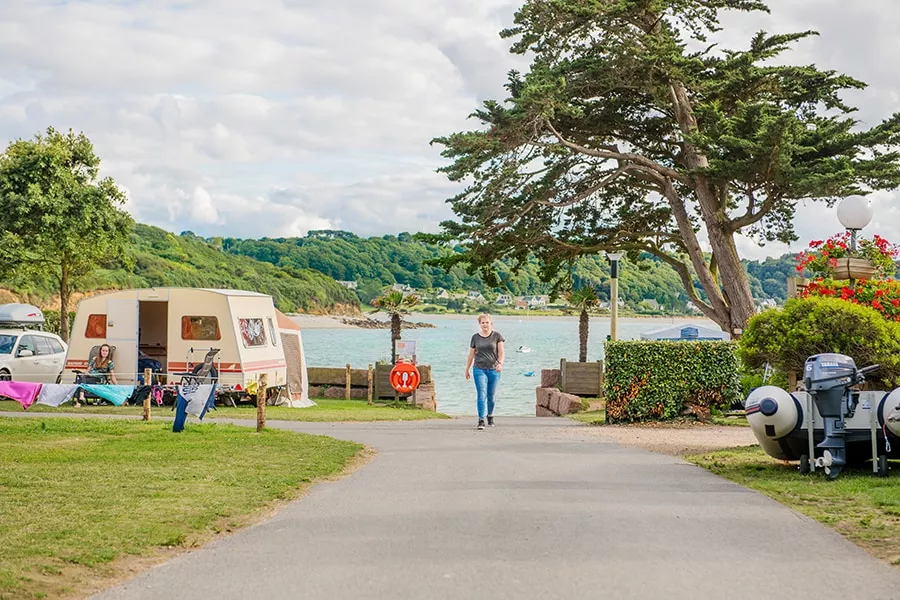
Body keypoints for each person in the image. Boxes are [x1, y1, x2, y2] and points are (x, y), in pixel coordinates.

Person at [465, 314, 505, 430]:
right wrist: (467, 368)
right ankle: (481, 419)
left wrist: (500, 363)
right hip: (479, 369)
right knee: (481, 394)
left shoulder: (497, 336)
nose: (485, 325)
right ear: (479, 324)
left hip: (494, 370)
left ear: (491, 323)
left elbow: (501, 352)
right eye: (483, 323)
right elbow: (471, 354)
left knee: (491, 396)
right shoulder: (475, 338)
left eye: (487, 322)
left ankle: (490, 415)